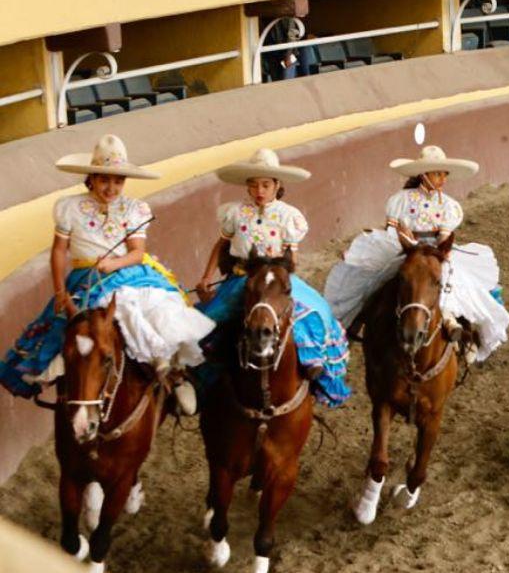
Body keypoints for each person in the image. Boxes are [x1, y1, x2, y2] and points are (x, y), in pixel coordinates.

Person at [0, 135, 214, 412]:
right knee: (69, 326)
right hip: (86, 277)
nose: (111, 188)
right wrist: (59, 292)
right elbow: (58, 252)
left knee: (155, 305)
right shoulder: (69, 207)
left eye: (118, 181)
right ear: (91, 177)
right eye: (104, 180)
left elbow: (137, 252)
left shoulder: (134, 209)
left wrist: (114, 264)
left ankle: (172, 369)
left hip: (127, 270)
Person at [193, 149, 350, 409]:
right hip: (244, 278)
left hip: (279, 279)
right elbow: (221, 244)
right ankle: (206, 369)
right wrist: (207, 276)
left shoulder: (290, 217)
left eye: (265, 185)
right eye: (254, 185)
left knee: (316, 309)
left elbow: (293, 258)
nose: (259, 190)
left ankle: (314, 363)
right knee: (211, 316)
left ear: (277, 185)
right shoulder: (235, 212)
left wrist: (283, 281)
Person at [324, 146, 509, 364]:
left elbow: (444, 237)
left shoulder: (450, 206)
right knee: (378, 280)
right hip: (405, 248)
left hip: (437, 252)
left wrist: (439, 251)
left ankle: (459, 327)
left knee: (454, 280)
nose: (443, 179)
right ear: (424, 174)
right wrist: (410, 244)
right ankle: (359, 321)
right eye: (438, 174)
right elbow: (393, 231)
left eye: (444, 174)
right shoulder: (400, 200)